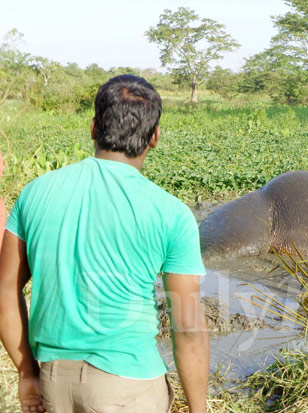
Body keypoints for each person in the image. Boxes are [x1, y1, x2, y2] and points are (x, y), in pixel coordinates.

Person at [0, 75, 210, 413]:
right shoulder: (172, 213)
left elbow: (6, 291)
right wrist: (199, 409)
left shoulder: (35, 192)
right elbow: (187, 328)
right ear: (154, 137)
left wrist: (27, 373)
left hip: (54, 382)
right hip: (129, 386)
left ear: (94, 127)